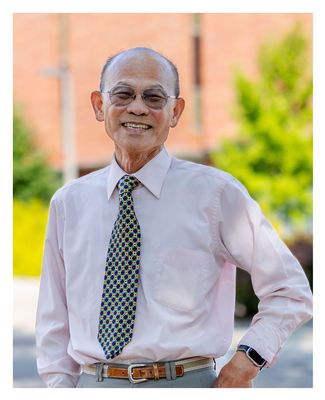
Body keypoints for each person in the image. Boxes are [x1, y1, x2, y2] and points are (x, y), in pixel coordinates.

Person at [35, 47, 313, 388]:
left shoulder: (217, 194)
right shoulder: (68, 204)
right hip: (93, 386)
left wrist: (247, 360)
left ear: (176, 111)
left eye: (154, 97)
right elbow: (53, 321)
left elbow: (291, 291)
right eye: (123, 93)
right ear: (98, 105)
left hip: (187, 385)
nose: (137, 107)